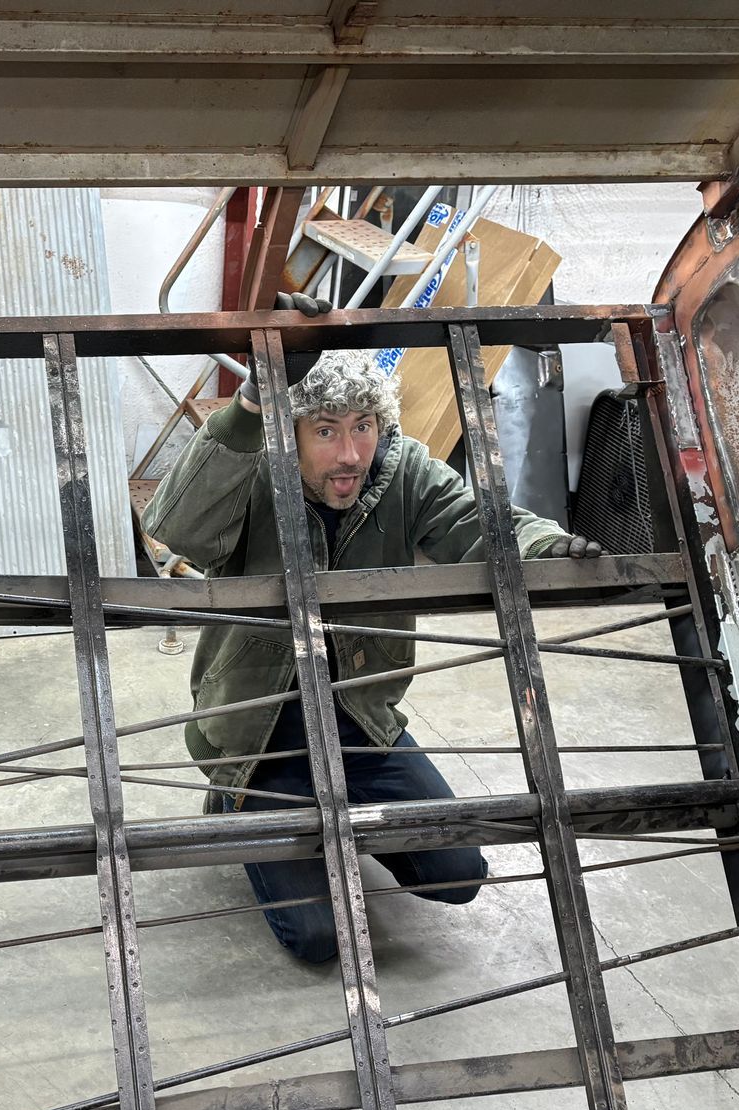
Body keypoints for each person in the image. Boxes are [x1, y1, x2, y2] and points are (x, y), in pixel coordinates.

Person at [141, 308, 605, 966]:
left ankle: (344, 818)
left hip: (361, 720)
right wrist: (250, 403)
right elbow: (176, 526)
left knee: (457, 873)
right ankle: (233, 799)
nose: (351, 453)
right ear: (291, 434)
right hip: (259, 732)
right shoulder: (254, 473)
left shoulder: (402, 470)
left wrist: (545, 544)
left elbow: (476, 519)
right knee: (320, 938)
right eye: (326, 431)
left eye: (363, 427)